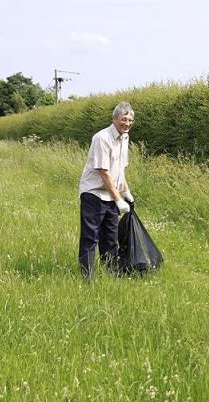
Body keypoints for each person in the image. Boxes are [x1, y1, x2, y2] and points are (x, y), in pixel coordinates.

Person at [78, 101, 135, 280]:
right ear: (114, 119)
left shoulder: (125, 137)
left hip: (112, 195)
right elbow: (103, 171)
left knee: (111, 239)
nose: (127, 124)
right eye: (124, 119)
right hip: (94, 193)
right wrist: (118, 199)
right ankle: (87, 277)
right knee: (90, 237)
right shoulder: (102, 138)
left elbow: (119, 170)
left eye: (130, 120)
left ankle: (112, 274)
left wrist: (126, 193)